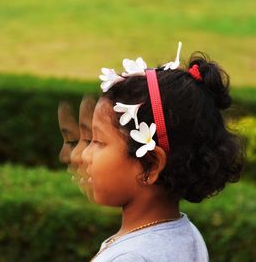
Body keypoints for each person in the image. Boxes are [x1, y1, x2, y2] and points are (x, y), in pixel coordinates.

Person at [82, 43, 244, 261]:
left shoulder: (131, 257)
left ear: (150, 165)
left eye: (99, 142)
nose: (85, 155)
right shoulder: (188, 235)